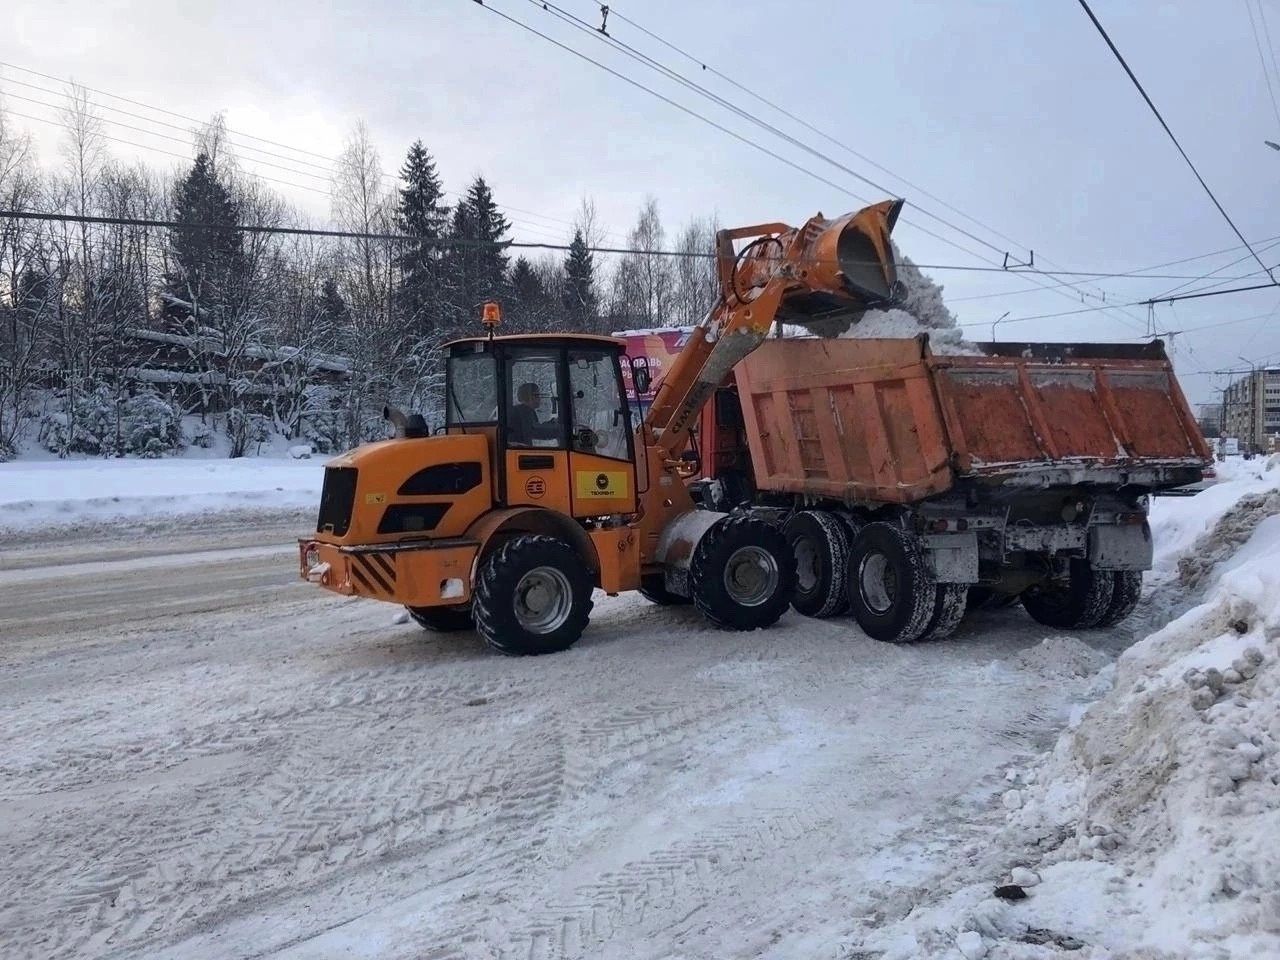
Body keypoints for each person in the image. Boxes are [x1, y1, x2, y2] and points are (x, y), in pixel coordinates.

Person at [508, 382, 560, 446]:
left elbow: (535, 427)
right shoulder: (524, 411)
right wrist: (559, 430)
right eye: (538, 395)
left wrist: (552, 422)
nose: (540, 398)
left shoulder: (521, 410)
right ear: (531, 396)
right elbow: (536, 431)